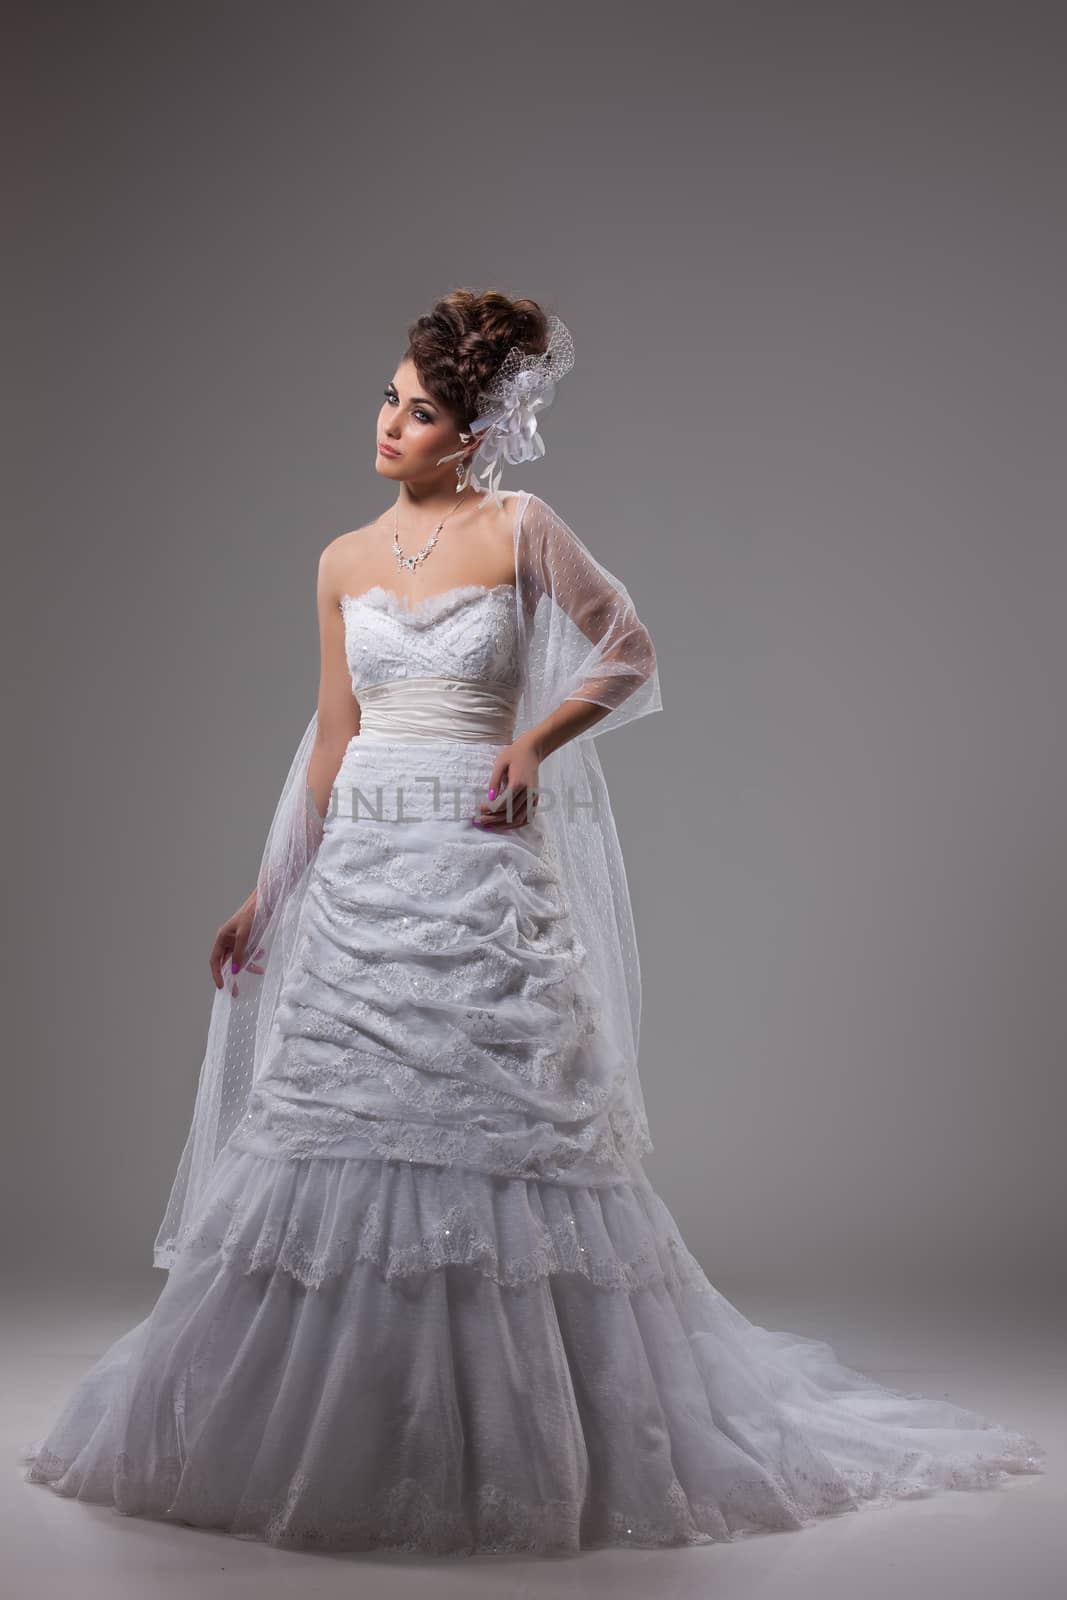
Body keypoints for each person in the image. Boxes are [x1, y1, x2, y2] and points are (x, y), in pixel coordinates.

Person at [20, 289, 1045, 1555]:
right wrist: (265, 893)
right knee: (338, 1130)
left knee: (504, 1141)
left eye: (423, 410)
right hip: (364, 879)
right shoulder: (341, 558)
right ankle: (352, 1429)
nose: (392, 423)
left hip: (477, 867)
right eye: (390, 396)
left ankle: (518, 1434)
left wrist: (530, 746)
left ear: (475, 433)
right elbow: (331, 745)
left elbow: (628, 648)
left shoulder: (521, 529)